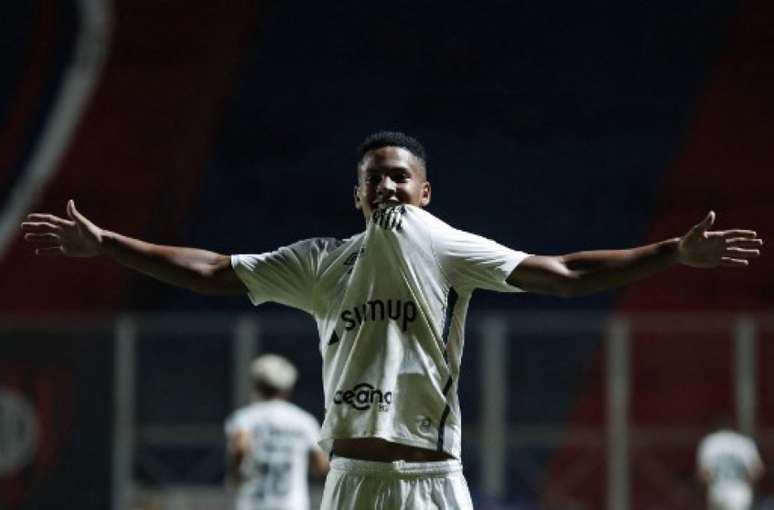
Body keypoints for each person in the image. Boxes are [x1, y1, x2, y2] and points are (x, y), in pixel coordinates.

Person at [21, 131, 763, 509]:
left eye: (399, 175)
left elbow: (565, 274)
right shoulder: (320, 263)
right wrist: (109, 244)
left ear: (425, 192)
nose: (386, 184)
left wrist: (670, 252)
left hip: (431, 480)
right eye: (373, 176)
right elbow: (213, 270)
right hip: (349, 481)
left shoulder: (444, 248)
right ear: (357, 195)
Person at [224, 353, 328, 510]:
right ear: (288, 388)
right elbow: (320, 466)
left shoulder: (245, 418)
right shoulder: (303, 420)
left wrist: (234, 475)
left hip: (254, 503)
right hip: (292, 504)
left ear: (256, 385)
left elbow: (239, 448)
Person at [697, 426, 765, 510]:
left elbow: (702, 473)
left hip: (717, 490)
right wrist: (745, 481)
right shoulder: (745, 442)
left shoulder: (710, 441)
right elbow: (757, 470)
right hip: (739, 492)